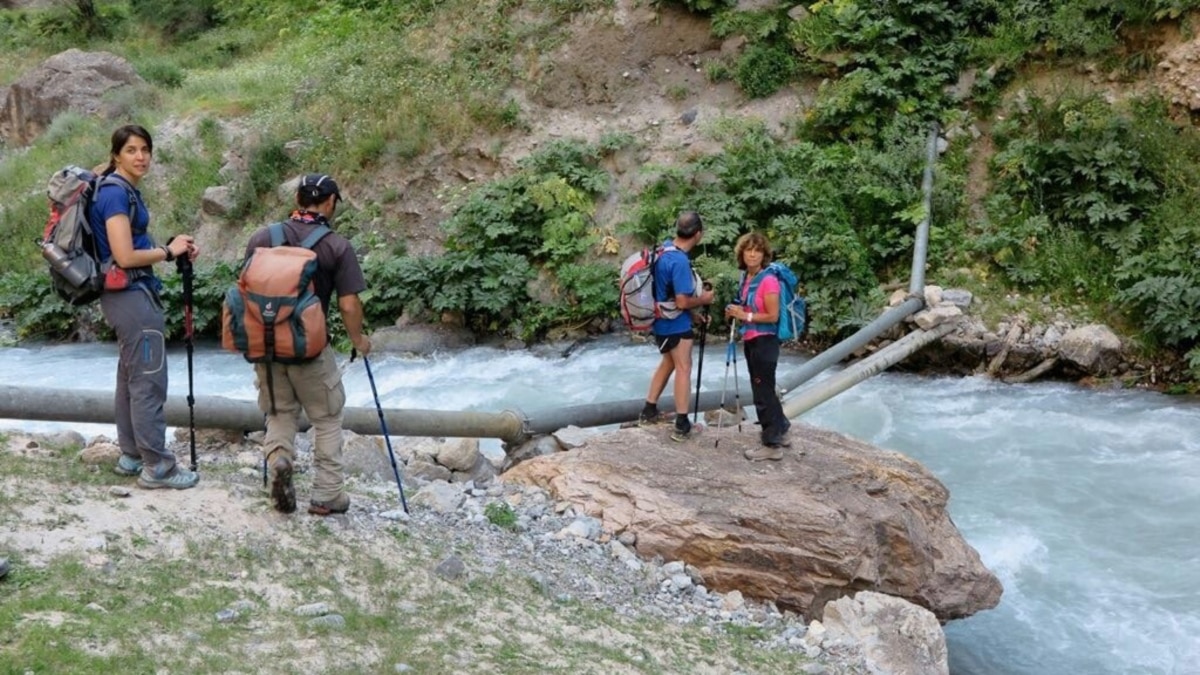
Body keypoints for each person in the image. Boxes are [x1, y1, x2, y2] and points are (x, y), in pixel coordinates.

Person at [243, 173, 371, 516]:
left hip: (266, 346)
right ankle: (327, 494)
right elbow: (348, 304)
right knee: (327, 417)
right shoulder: (336, 246)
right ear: (329, 203)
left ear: (298, 200)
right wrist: (359, 340)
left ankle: (280, 458)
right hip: (310, 349)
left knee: (280, 412)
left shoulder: (261, 237)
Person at [92, 125, 200, 489]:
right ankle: (159, 467)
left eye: (145, 150)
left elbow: (131, 245)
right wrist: (170, 252)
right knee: (149, 379)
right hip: (131, 296)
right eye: (131, 150)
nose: (140, 157)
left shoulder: (118, 190)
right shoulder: (115, 194)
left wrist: (170, 247)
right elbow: (123, 255)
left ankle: (132, 455)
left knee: (130, 376)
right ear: (116, 156)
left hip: (127, 295)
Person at [637, 211, 715, 442]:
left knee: (669, 363)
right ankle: (682, 424)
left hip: (659, 321)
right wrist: (704, 300)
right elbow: (681, 301)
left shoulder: (663, 250)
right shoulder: (680, 260)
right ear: (698, 234)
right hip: (675, 324)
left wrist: (694, 316)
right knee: (683, 367)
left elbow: (667, 294)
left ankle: (648, 410)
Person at [725, 232, 791, 461]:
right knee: (765, 388)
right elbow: (744, 306)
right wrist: (735, 311)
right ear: (742, 253)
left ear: (764, 254)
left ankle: (771, 444)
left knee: (762, 393)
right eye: (748, 249)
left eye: (757, 250)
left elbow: (772, 315)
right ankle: (781, 429)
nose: (752, 254)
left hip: (765, 342)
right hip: (752, 340)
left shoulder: (768, 280)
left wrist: (746, 315)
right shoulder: (747, 278)